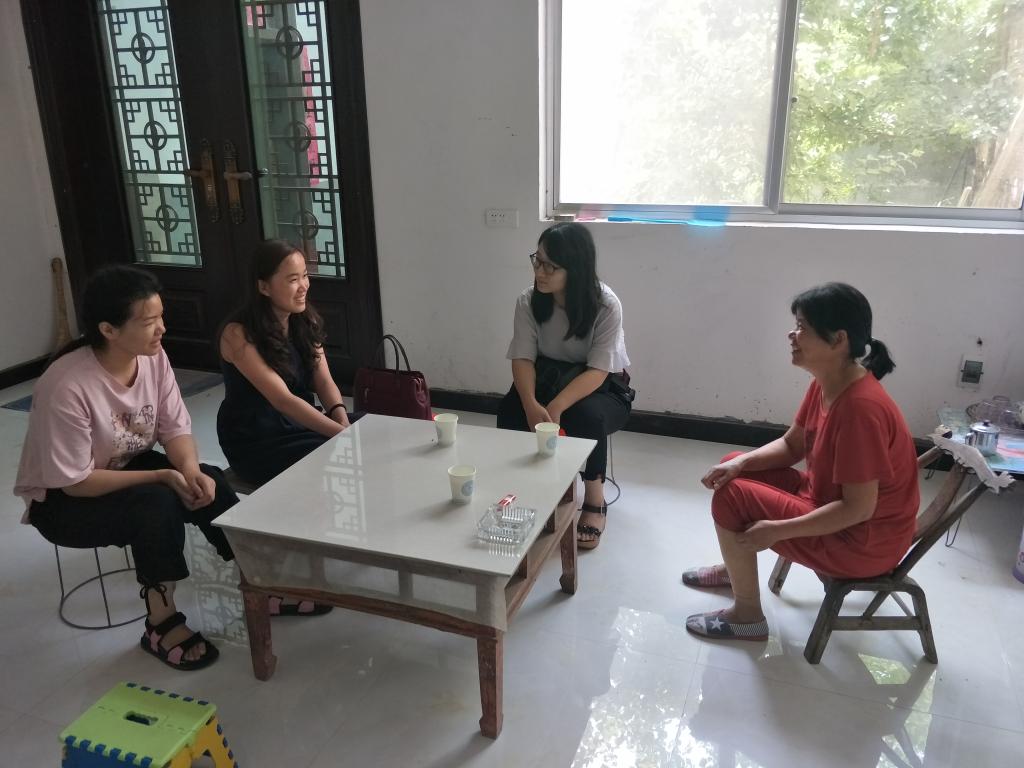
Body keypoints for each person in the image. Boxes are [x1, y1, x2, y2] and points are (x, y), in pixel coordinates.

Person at [14, 265, 236, 670]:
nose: (162, 329)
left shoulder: (152, 358)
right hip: (64, 501)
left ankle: (259, 577)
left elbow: (175, 428)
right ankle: (161, 624)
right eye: (149, 322)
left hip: (124, 466)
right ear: (108, 329)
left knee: (211, 481)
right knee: (157, 504)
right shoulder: (66, 385)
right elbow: (76, 482)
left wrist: (188, 469)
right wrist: (163, 475)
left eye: (161, 317)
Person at [683, 282, 919, 642]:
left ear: (838, 339)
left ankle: (747, 616)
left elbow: (858, 509)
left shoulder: (860, 409)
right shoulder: (828, 382)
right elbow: (792, 445)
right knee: (733, 464)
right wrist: (740, 465)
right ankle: (735, 569)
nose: (792, 335)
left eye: (802, 327)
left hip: (861, 543)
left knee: (732, 497)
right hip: (828, 505)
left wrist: (776, 531)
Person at [217, 239, 357, 614]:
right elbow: (281, 399)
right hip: (256, 436)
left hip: (299, 422)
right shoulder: (238, 333)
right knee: (326, 457)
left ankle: (329, 546)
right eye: (292, 279)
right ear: (264, 286)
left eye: (305, 276)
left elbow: (324, 381)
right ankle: (283, 579)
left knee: (378, 430)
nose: (303, 286)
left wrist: (341, 417)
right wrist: (343, 436)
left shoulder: (303, 321)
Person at [498, 222, 633, 550]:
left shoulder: (605, 305)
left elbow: (599, 371)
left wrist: (555, 407)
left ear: (576, 268)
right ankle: (521, 489)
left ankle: (594, 499)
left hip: (598, 385)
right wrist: (530, 404)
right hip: (547, 376)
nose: (539, 271)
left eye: (550, 266)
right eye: (537, 260)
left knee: (586, 417)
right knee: (510, 409)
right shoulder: (528, 301)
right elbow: (523, 359)